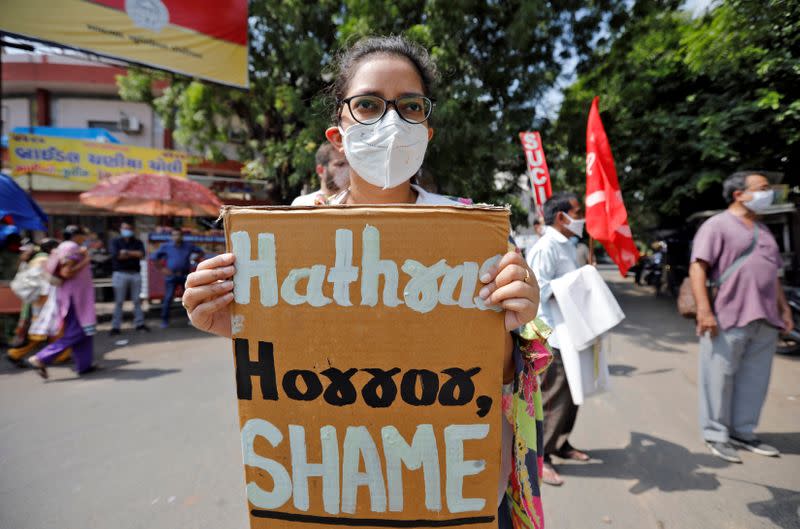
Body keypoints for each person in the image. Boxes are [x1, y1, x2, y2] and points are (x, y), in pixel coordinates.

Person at [180, 36, 551, 529]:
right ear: (338, 134)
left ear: (427, 129)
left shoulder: (474, 234)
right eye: (369, 104)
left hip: (446, 491)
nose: (391, 122)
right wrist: (230, 320)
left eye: (410, 106)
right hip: (334, 492)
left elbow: (497, 378)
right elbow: (294, 351)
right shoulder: (295, 225)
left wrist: (517, 319)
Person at [689, 171, 793, 463]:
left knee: (754, 380)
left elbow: (772, 275)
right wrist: (704, 310)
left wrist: (784, 309)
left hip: (766, 318)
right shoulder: (716, 225)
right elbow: (698, 268)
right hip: (727, 316)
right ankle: (716, 434)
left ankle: (743, 431)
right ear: (739, 194)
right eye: (762, 188)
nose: (768, 193)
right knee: (718, 378)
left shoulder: (764, 230)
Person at [526, 192, 591, 486]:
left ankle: (561, 443)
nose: (581, 218)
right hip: (553, 333)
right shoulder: (545, 247)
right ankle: (542, 457)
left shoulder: (569, 245)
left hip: (573, 329)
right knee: (553, 396)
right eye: (577, 212)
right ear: (561, 216)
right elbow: (536, 289)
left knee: (573, 393)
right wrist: (576, 281)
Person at [27, 226, 97, 378]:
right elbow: (67, 272)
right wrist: (85, 261)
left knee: (85, 332)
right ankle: (41, 358)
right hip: (75, 299)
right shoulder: (70, 247)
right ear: (76, 235)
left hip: (77, 296)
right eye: (82, 235)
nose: (84, 238)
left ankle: (84, 365)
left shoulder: (67, 247)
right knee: (77, 332)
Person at [151, 228, 204, 329]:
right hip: (171, 276)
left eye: (178, 235)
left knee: (190, 298)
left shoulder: (188, 245)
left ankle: (192, 320)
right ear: (172, 236)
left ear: (182, 236)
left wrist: (195, 258)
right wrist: (162, 269)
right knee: (168, 298)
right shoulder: (166, 246)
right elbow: (154, 258)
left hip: (184, 275)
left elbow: (201, 252)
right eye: (174, 235)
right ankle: (165, 321)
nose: (177, 237)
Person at [109, 222, 148, 334]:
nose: (127, 230)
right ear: (120, 229)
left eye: (129, 228)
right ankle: (116, 327)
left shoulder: (137, 242)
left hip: (135, 274)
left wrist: (126, 252)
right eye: (125, 228)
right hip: (120, 274)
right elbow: (117, 256)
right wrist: (132, 254)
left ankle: (140, 324)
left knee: (137, 301)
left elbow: (141, 254)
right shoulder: (115, 241)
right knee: (119, 301)